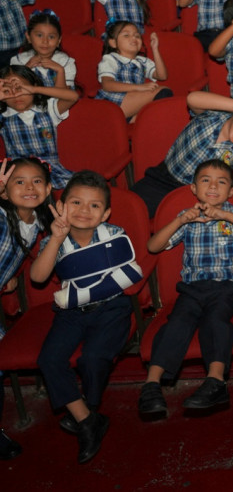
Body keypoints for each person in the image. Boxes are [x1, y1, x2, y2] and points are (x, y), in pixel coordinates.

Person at [139, 159, 233, 418]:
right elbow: (154, 246)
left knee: (216, 320)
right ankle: (151, 385)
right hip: (191, 288)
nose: (213, 186)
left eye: (221, 182)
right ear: (194, 188)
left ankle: (215, 381)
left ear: (231, 191)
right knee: (176, 323)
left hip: (225, 287)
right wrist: (180, 221)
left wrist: (224, 214)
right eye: (205, 180)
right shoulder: (187, 218)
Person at [32, 172, 138, 463]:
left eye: (94, 206)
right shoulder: (55, 239)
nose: (83, 210)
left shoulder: (114, 235)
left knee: (93, 358)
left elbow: (129, 275)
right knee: (49, 360)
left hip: (112, 308)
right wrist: (55, 239)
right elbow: (38, 277)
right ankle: (88, 419)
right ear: (62, 206)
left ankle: (85, 410)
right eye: (76, 202)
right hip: (71, 313)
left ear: (105, 214)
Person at [130, 91, 233, 217]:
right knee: (130, 209)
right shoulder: (214, 115)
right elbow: (192, 99)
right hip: (161, 179)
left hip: (201, 197)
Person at [0, 157, 53, 460]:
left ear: (47, 188)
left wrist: (8, 278)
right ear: (4, 192)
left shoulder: (36, 222)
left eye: (36, 181)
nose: (29, 187)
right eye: (19, 181)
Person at [0, 65, 78, 188]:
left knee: (78, 185)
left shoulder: (48, 110)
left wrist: (35, 89)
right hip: (17, 171)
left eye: (20, 88)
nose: (17, 95)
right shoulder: (3, 117)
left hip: (50, 169)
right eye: (8, 91)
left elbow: (73, 96)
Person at [95, 23, 170, 119]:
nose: (134, 38)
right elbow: (107, 85)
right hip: (114, 101)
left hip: (132, 101)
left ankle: (134, 120)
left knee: (162, 101)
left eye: (137, 36)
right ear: (113, 43)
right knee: (163, 92)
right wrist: (139, 87)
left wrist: (155, 49)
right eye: (126, 35)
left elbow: (162, 76)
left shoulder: (142, 61)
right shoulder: (111, 59)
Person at [12, 9, 76, 90]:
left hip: (57, 102)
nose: (45, 41)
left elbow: (65, 96)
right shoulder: (18, 60)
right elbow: (15, 90)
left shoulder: (65, 61)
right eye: (39, 35)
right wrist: (27, 68)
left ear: (58, 41)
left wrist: (60, 71)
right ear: (28, 37)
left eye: (51, 37)